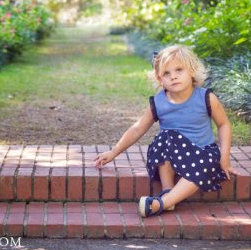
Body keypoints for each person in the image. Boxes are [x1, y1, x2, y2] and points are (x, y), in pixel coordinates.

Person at [94, 45, 233, 217]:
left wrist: (224, 156)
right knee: (165, 137)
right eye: (166, 73)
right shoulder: (159, 102)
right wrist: (114, 152)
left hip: (203, 153)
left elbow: (224, 124)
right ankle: (168, 190)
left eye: (179, 70)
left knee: (205, 163)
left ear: (192, 71)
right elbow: (138, 128)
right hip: (174, 154)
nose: (173, 76)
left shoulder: (206, 97)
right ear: (160, 79)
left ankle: (164, 202)